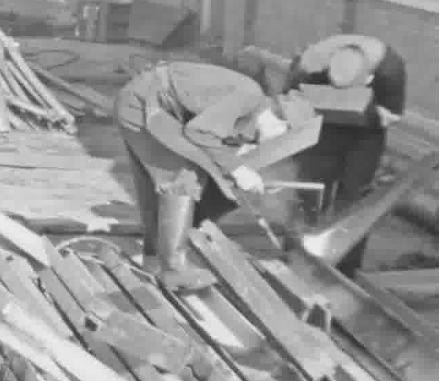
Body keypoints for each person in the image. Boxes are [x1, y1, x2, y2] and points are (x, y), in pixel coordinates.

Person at [116, 61, 314, 284]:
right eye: (283, 134)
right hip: (145, 104)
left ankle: (153, 262)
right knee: (184, 176)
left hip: (145, 101)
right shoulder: (249, 95)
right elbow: (199, 132)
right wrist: (237, 169)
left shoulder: (252, 110)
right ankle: (173, 270)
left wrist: (243, 171)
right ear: (278, 119)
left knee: (162, 185)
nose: (277, 141)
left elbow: (216, 142)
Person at [284, 34, 406, 278]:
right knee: (309, 184)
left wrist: (368, 111)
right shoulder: (310, 63)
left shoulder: (390, 69)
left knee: (355, 197)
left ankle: (345, 266)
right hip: (323, 125)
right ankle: (294, 252)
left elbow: (393, 114)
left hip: (366, 133)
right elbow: (288, 98)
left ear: (368, 78)